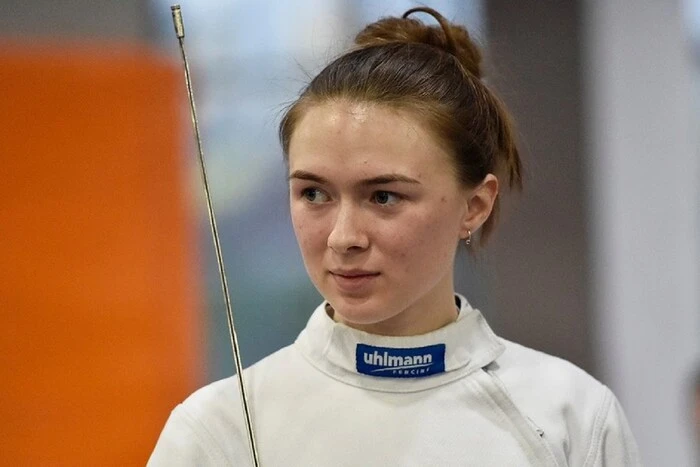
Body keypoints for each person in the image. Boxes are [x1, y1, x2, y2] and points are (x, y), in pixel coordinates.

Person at [149, 7, 640, 466]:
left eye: (383, 197)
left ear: (475, 205)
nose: (343, 238)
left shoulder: (573, 418)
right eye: (314, 194)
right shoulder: (216, 430)